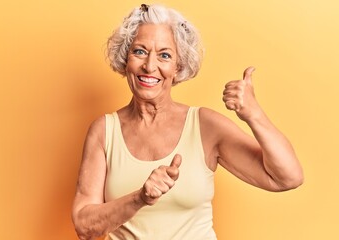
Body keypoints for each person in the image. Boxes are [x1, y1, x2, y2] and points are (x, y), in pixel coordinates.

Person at [72, 3, 303, 240]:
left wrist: (254, 115)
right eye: (140, 51)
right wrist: (140, 198)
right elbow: (84, 227)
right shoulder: (104, 131)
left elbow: (288, 177)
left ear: (178, 66)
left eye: (164, 55)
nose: (150, 66)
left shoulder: (204, 126)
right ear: (125, 59)